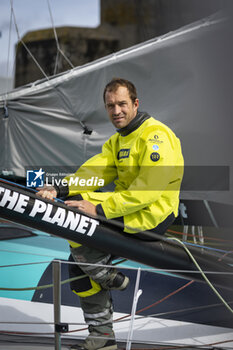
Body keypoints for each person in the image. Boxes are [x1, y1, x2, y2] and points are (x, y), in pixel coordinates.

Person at [37, 78, 184, 350]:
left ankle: (106, 275)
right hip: (126, 209)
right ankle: (102, 338)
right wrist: (59, 188)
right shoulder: (118, 141)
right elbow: (94, 172)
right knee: (77, 271)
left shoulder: (156, 136)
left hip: (151, 214)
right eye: (110, 106)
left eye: (122, 104)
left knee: (77, 220)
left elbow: (149, 190)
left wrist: (100, 209)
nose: (116, 111)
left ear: (135, 104)